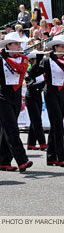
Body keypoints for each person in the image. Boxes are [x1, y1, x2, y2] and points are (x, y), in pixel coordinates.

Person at [34, 35, 64, 167]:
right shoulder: (46, 61)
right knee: (58, 125)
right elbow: (33, 74)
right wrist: (38, 59)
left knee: (56, 125)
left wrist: (56, 60)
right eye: (62, 47)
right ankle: (61, 157)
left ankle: (51, 157)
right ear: (55, 47)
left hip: (61, 92)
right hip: (50, 92)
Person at [0, 32, 33, 173]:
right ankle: (22, 160)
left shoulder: (24, 59)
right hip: (2, 97)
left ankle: (3, 161)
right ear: (8, 45)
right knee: (12, 129)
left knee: (6, 130)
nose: (19, 46)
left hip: (16, 96)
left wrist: (7, 58)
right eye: (16, 43)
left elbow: (20, 70)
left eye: (19, 43)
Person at [25, 51, 47, 151]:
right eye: (34, 60)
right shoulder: (29, 72)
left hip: (38, 97)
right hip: (31, 98)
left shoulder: (39, 71)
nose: (36, 62)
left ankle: (31, 143)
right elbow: (31, 86)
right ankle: (42, 143)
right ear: (30, 61)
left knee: (34, 120)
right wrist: (44, 83)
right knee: (37, 121)